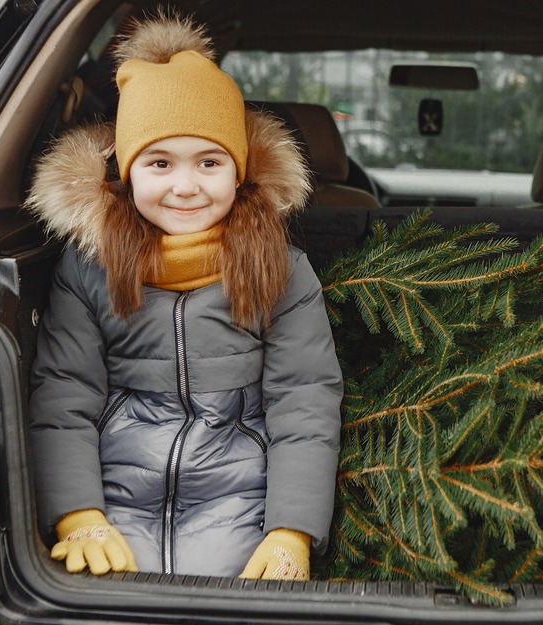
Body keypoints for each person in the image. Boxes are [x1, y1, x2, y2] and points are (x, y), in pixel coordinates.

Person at [25, 14, 342, 581]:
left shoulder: (280, 267)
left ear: (240, 170)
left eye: (210, 162)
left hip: (241, 496)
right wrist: (78, 513)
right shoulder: (89, 267)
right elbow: (64, 396)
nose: (186, 186)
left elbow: (305, 403)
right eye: (160, 163)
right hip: (115, 493)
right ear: (126, 170)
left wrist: (290, 530)